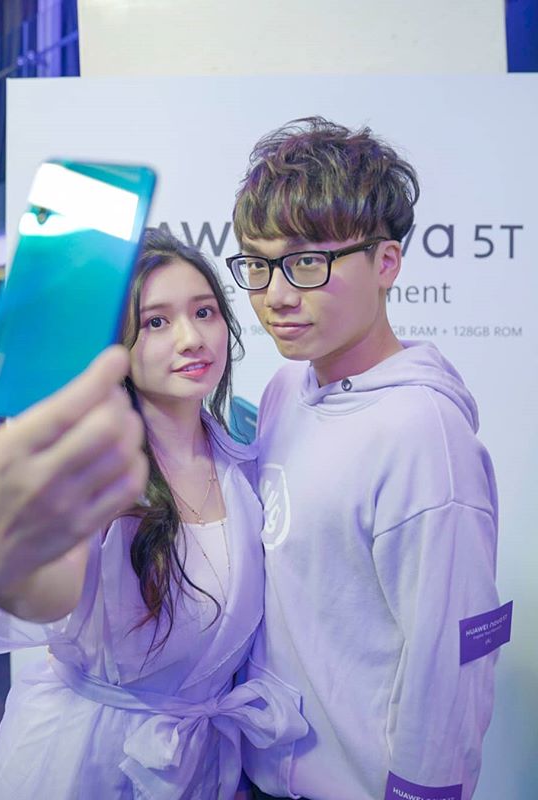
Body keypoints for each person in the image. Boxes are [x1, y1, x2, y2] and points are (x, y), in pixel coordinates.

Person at [0, 229, 306, 799]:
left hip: (201, 758)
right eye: (157, 322)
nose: (192, 338)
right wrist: (0, 558)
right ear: (114, 346)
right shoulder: (95, 466)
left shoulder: (245, 452)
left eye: (205, 312)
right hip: (82, 759)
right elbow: (47, 593)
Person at [226, 118, 499, 800]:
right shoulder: (286, 387)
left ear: (386, 263)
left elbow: (450, 656)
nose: (275, 295)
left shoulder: (422, 432)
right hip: (261, 770)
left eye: (307, 262)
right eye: (258, 264)